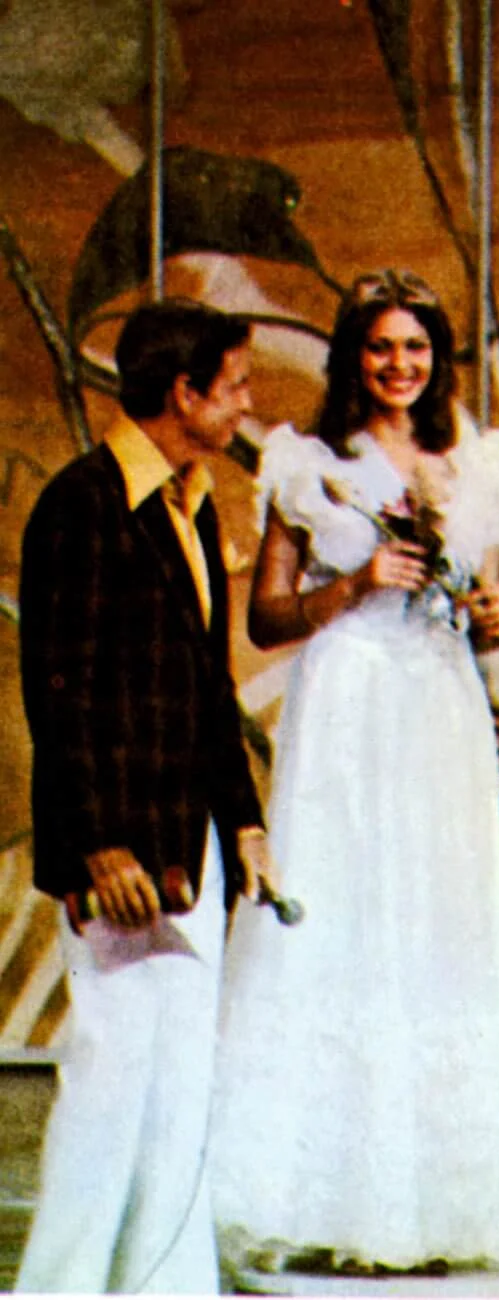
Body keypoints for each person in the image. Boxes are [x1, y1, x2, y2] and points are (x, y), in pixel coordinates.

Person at [210, 269, 499, 1270]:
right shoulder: (309, 464)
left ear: (438, 358)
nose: (399, 364)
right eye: (380, 347)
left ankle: (442, 1208)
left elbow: (492, 602)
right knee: (346, 913)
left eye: (416, 347)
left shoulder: (475, 466)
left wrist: (497, 612)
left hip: (438, 708)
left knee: (443, 919)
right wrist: (354, 583)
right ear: (353, 357)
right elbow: (266, 618)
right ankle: (328, 1204)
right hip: (348, 705)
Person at [16, 299, 271, 1293]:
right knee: (111, 1082)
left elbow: (210, 684)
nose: (247, 404)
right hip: (120, 854)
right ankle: (62, 1287)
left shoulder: (192, 503)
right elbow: (60, 691)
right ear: (185, 392)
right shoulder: (83, 504)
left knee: (178, 1086)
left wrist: (244, 821)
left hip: (189, 844)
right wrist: (99, 845)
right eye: (235, 386)